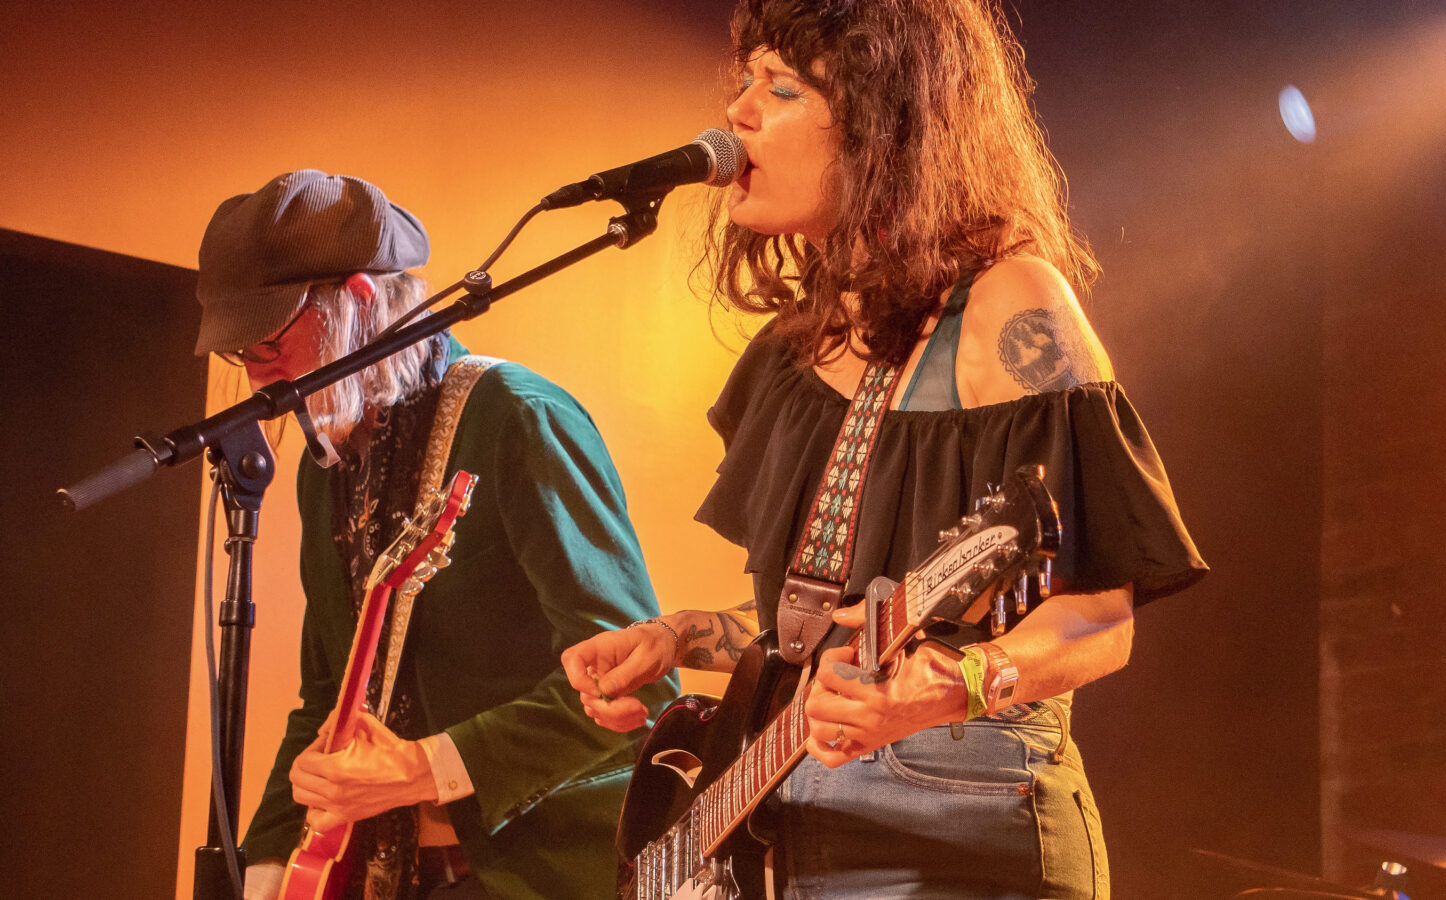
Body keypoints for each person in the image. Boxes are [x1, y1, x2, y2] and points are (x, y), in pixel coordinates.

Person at [561, 1, 1207, 898]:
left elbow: (1103, 619)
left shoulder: (1012, 305)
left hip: (959, 825)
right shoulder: (807, 339)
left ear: (884, 125)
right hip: (796, 814)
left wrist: (955, 685)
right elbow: (832, 637)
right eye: (744, 78)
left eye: (781, 87)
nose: (738, 113)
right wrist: (681, 638)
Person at [194, 169, 677, 900]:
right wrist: (264, 875)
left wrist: (426, 768)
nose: (260, 379)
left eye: (264, 343)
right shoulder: (326, 464)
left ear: (356, 301)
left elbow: (645, 686)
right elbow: (326, 699)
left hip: (544, 875)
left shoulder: (516, 416)